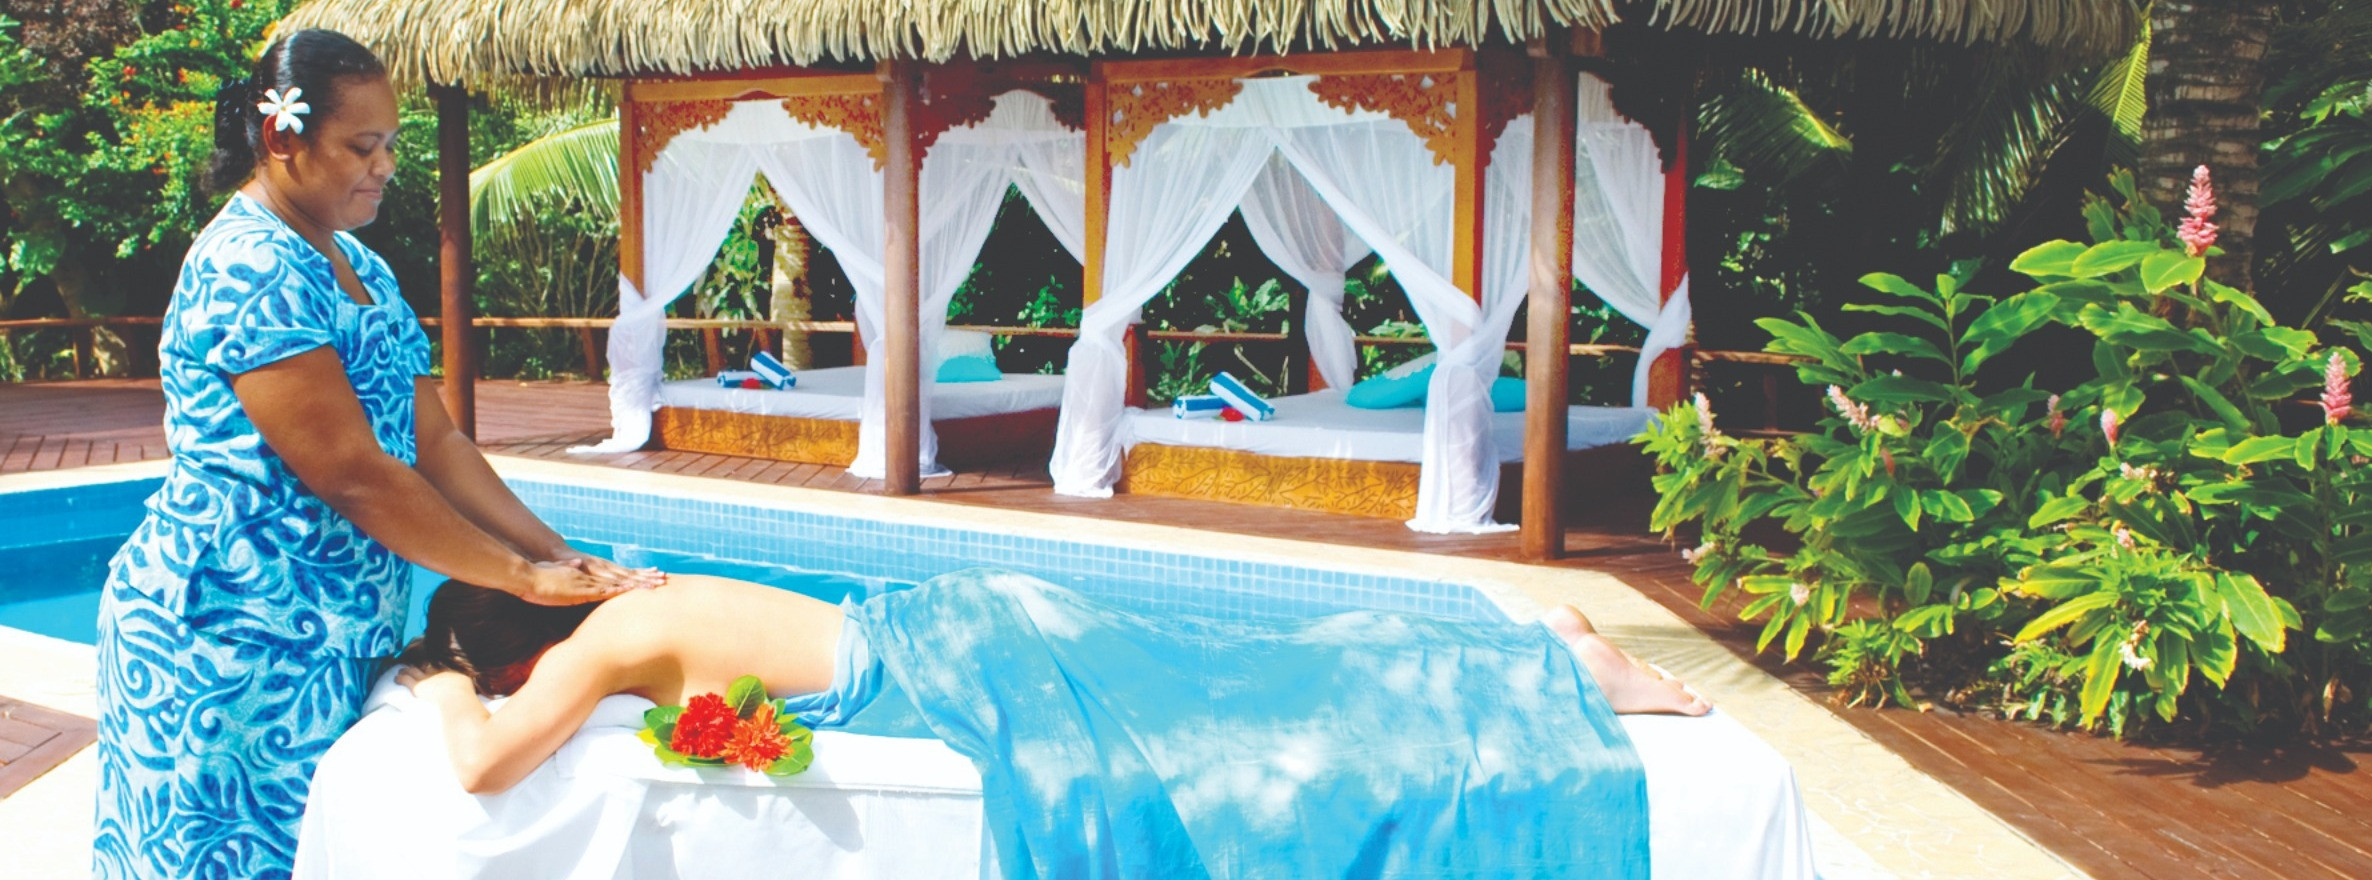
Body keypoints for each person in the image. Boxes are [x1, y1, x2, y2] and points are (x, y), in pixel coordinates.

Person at [93, 29, 660, 880]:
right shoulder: (250, 264)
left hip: (321, 633)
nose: (386, 164)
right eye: (363, 146)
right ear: (284, 137)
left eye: (391, 143)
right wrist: (516, 578)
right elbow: (354, 476)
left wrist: (549, 551)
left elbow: (435, 440)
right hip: (227, 638)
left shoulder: (358, 265)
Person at [399, 573, 1710, 795]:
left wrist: (444, 688)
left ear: (517, 650)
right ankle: (1540, 651)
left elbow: (480, 765)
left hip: (954, 667)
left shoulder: (587, 654)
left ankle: (1560, 669)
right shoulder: (636, 602)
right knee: (1247, 669)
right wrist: (697, 739)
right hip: (958, 620)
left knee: (1257, 706)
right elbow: (774, 745)